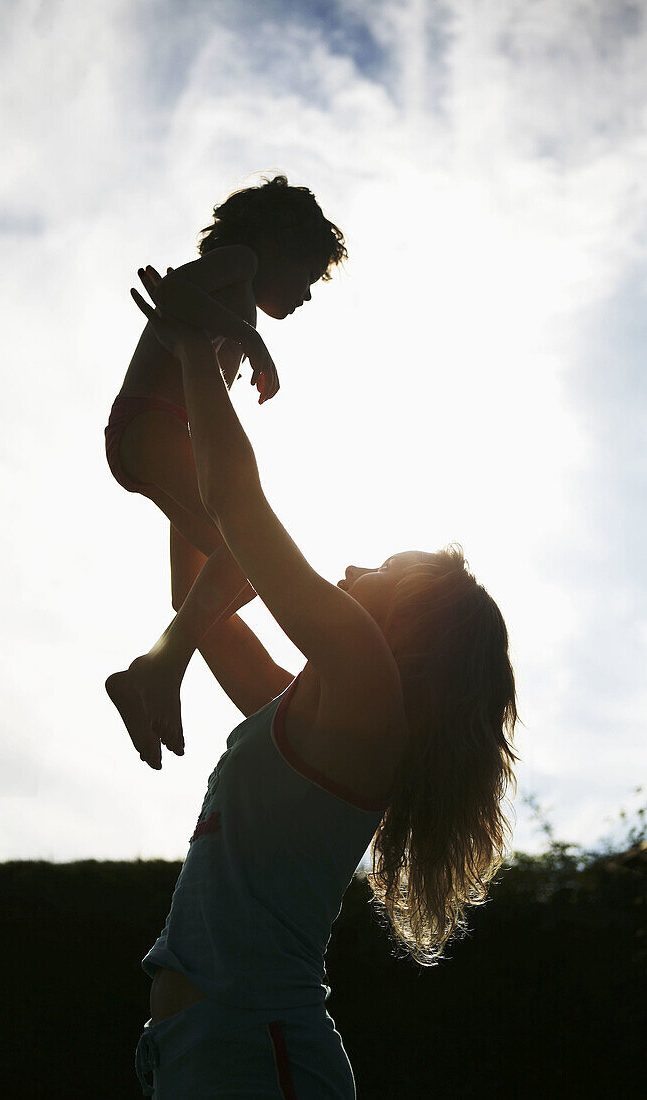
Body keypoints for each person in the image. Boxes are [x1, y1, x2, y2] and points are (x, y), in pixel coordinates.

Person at [130, 269, 519, 1098]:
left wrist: (196, 354)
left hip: (254, 1056)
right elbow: (192, 603)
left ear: (410, 625)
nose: (351, 565)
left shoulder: (366, 684)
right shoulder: (313, 710)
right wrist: (174, 455)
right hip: (209, 1053)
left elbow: (236, 504)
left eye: (379, 568)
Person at [105, 176, 347, 761]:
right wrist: (247, 337)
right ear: (275, 243)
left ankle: (268, 699)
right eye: (307, 275)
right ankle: (154, 674)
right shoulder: (236, 262)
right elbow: (173, 293)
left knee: (196, 592)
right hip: (152, 425)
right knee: (247, 554)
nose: (308, 295)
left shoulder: (237, 289)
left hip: (160, 437)